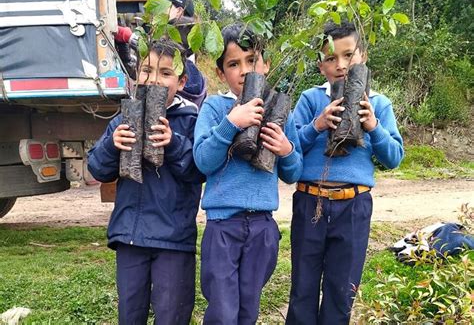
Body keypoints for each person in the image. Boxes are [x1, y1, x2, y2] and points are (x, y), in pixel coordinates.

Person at [286, 21, 404, 324]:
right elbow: (288, 147)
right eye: (330, 58)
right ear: (320, 64)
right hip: (310, 202)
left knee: (342, 291)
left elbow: (393, 157)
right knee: (303, 288)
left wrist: (373, 127)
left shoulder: (378, 103)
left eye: (348, 55)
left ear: (362, 55)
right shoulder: (311, 99)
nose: (340, 65)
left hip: (354, 205)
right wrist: (318, 125)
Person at [193, 23, 303, 324]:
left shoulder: (280, 110)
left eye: (251, 60)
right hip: (222, 227)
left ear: (265, 64)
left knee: (247, 308)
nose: (244, 70)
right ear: (220, 73)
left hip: (262, 227)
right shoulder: (215, 108)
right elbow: (203, 161)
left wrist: (285, 149)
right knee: (222, 310)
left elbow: (293, 172)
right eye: (233, 64)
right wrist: (232, 123)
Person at [88, 38, 204, 325]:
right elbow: (98, 169)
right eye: (146, 70)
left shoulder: (191, 121)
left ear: (182, 81)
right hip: (130, 235)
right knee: (130, 313)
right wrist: (111, 146)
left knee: (172, 314)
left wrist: (174, 144)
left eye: (166, 73)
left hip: (173, 240)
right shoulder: (123, 119)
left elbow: (200, 171)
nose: (154, 80)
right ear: (136, 74)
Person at [114, 0, 207, 108]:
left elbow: (164, 53)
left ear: (179, 11)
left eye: (163, 5)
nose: (157, 9)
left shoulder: (184, 31)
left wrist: (130, 37)